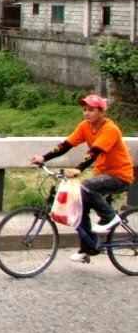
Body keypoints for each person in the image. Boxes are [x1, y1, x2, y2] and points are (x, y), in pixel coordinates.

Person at [30, 94, 134, 263]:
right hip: (102, 175)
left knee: (86, 186)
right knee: (77, 205)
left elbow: (94, 152)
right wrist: (44, 157)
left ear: (101, 112)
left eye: (91, 110)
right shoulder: (85, 126)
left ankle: (110, 217)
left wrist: (78, 169)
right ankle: (88, 247)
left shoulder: (110, 129)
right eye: (85, 109)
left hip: (119, 176)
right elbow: (66, 145)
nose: (86, 113)